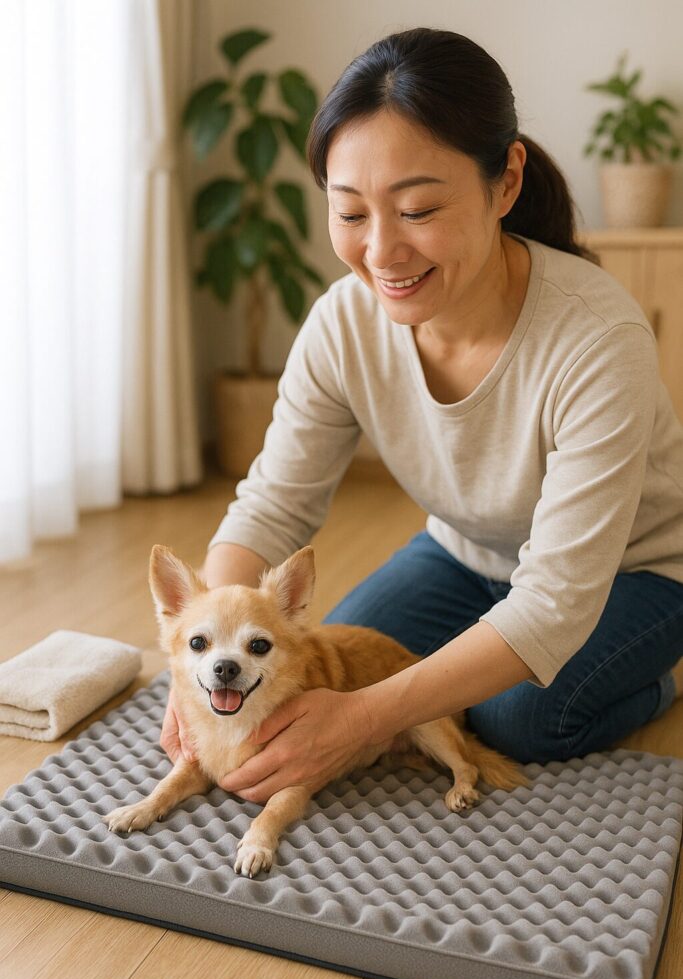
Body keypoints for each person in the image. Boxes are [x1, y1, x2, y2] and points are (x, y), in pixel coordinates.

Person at [161, 27, 683, 804]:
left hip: (629, 574)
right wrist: (202, 649)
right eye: (349, 213)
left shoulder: (596, 337)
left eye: (416, 209)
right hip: (464, 555)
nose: (380, 252)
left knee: (513, 721)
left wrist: (367, 720)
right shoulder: (343, 323)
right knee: (307, 665)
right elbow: (273, 504)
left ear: (504, 182)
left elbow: (553, 602)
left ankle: (660, 675)